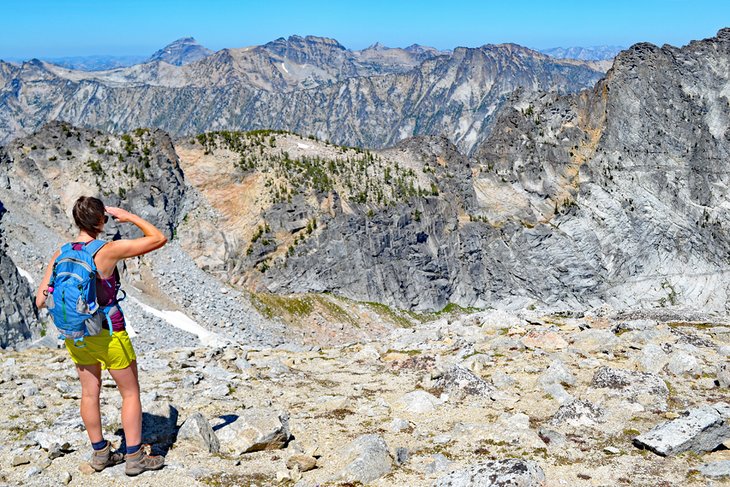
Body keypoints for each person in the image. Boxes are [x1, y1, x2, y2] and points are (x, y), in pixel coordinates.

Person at [35, 196, 167, 476]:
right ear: (101, 221)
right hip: (108, 332)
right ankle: (134, 458)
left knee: (89, 393)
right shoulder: (107, 251)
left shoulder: (61, 253)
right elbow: (158, 238)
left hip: (77, 335)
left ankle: (101, 454)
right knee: (130, 393)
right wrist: (128, 215)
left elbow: (40, 300)